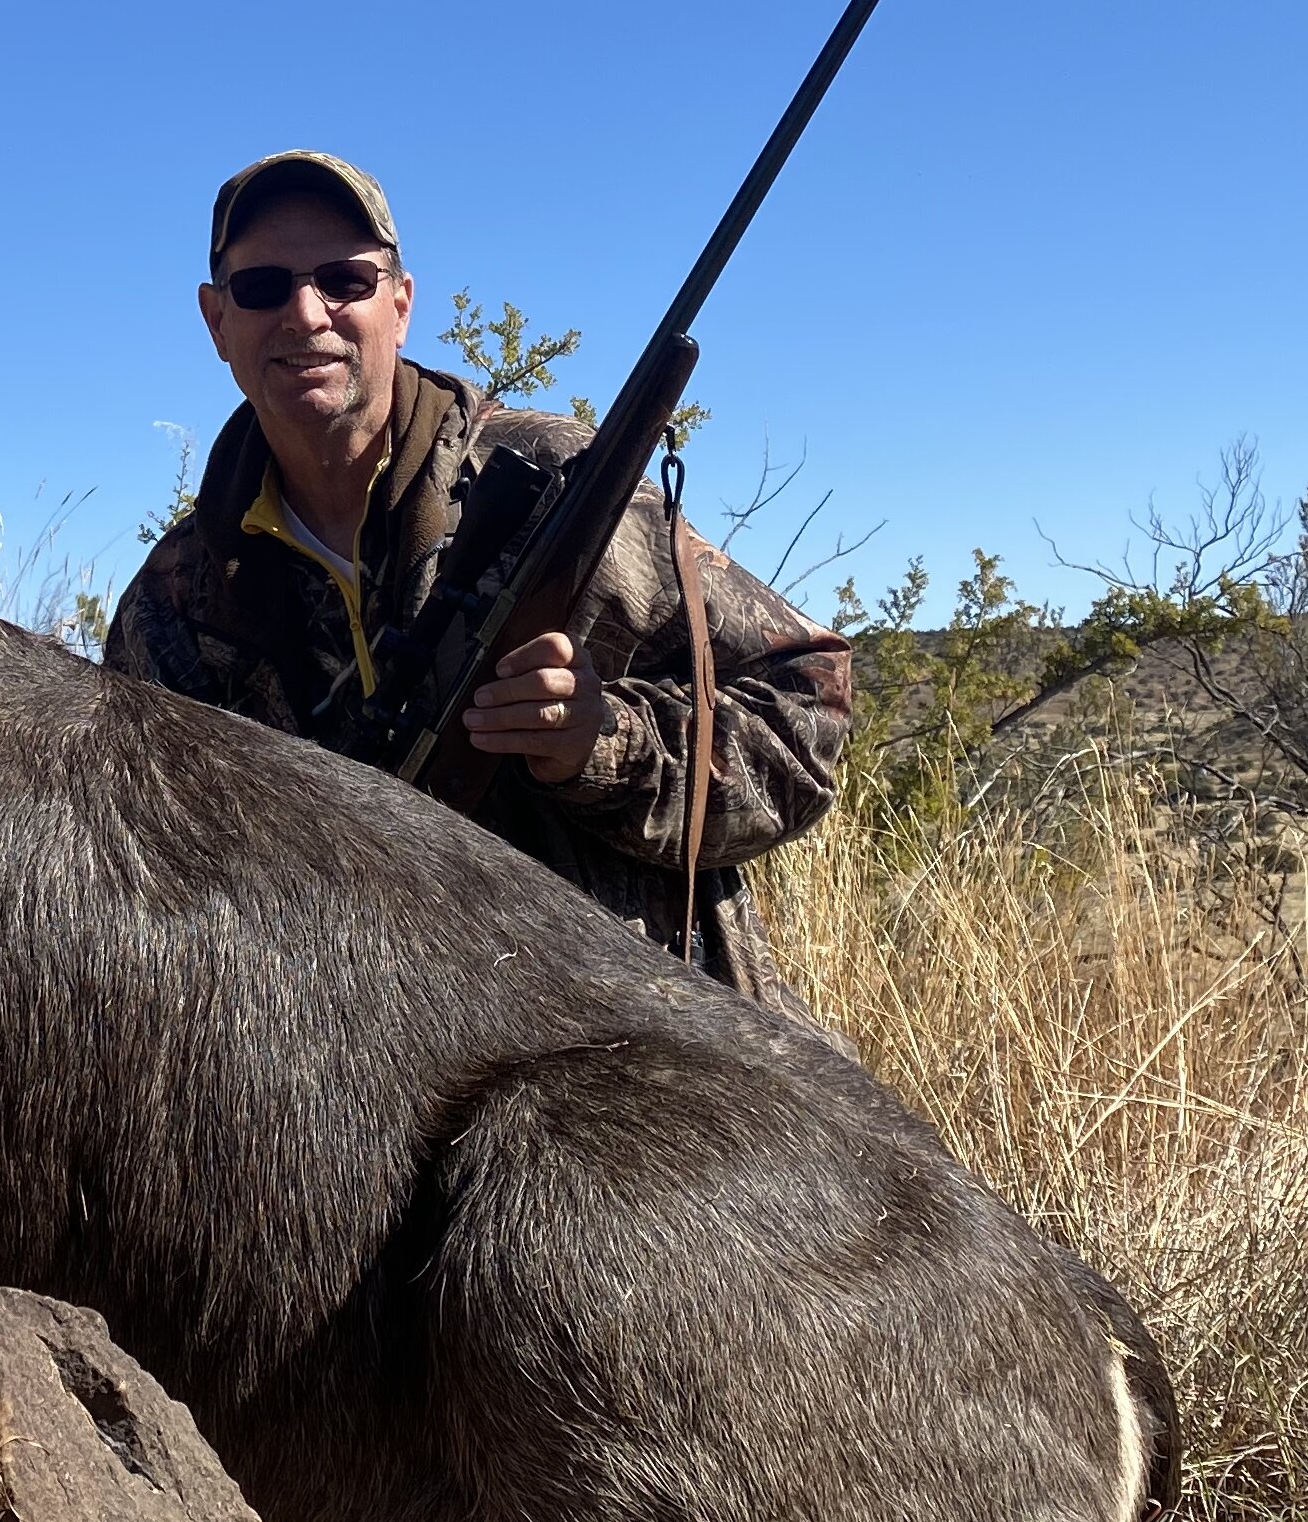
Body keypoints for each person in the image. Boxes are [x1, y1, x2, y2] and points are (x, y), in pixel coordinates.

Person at [106, 149, 851, 993]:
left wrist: (603, 743)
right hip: (357, 1083)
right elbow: (150, 883)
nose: (306, 313)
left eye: (345, 280)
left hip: (648, 1064)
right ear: (217, 321)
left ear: (401, 302)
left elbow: (808, 707)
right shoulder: (167, 608)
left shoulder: (564, 488)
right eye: (262, 286)